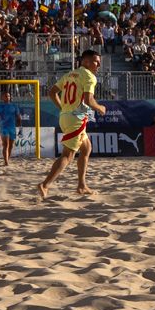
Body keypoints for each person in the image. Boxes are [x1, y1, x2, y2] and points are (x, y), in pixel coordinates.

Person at [39, 49, 105, 200]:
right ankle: (45, 184)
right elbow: (89, 100)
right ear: (86, 62)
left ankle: (81, 185)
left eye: (99, 62)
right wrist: (101, 108)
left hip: (67, 116)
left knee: (86, 148)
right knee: (68, 155)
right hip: (76, 118)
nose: (98, 65)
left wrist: (63, 108)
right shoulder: (90, 77)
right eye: (96, 61)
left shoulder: (70, 74)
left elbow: (52, 92)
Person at [0, 91, 20, 170]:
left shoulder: (14, 106)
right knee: (6, 145)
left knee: (11, 146)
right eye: (6, 96)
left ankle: (7, 160)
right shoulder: (0, 107)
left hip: (12, 128)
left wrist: (20, 128)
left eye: (9, 96)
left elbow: (18, 117)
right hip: (4, 127)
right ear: (2, 97)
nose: (8, 97)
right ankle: (6, 162)